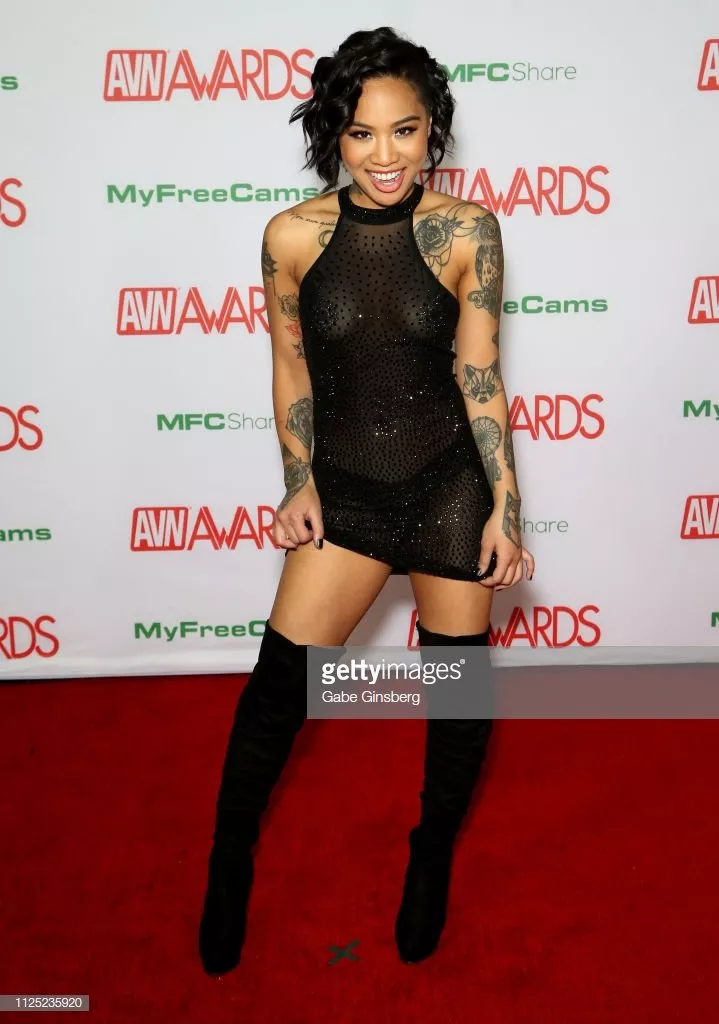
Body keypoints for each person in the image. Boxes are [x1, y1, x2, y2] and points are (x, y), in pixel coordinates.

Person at [198, 25, 535, 975]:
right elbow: (289, 368)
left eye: (405, 130)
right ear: (332, 135)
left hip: (446, 482)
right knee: (277, 695)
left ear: (433, 131)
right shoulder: (291, 237)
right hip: (344, 488)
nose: (385, 155)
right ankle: (229, 860)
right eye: (360, 133)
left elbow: (479, 375)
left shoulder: (468, 231)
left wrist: (505, 506)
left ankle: (429, 856)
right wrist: (297, 481)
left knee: (456, 696)